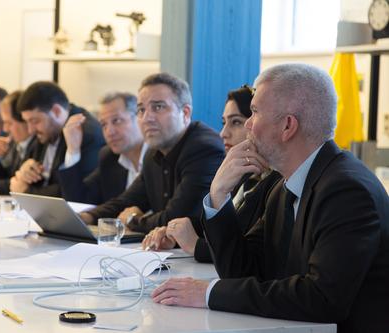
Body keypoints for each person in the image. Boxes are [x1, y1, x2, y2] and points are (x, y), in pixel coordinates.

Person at [151, 63, 389, 333]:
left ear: (288, 125)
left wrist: (209, 293)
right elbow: (244, 272)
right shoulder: (283, 187)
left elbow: (322, 298)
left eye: (253, 112)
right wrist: (218, 196)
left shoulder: (345, 190)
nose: (249, 125)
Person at [142, 86, 281, 261]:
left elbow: (248, 253)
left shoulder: (277, 181)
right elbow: (228, 228)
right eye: (224, 123)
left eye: (236, 122)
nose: (223, 133)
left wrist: (195, 245)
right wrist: (176, 231)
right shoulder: (247, 177)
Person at [80, 73, 225, 233]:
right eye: (141, 109)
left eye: (158, 107)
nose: (147, 118)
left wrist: (132, 220)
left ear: (185, 113)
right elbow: (127, 201)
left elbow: (175, 220)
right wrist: (86, 217)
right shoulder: (153, 152)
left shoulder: (204, 149)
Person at [10, 81, 105, 197]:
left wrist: (27, 192)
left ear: (56, 111)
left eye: (35, 121)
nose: (30, 130)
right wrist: (25, 171)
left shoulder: (87, 134)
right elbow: (23, 179)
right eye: (27, 122)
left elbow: (74, 192)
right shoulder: (46, 130)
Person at [59, 92, 147, 204]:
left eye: (117, 121)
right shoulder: (109, 158)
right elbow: (79, 202)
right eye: (104, 125)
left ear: (139, 118)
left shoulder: (159, 157)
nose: (109, 132)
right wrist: (73, 150)